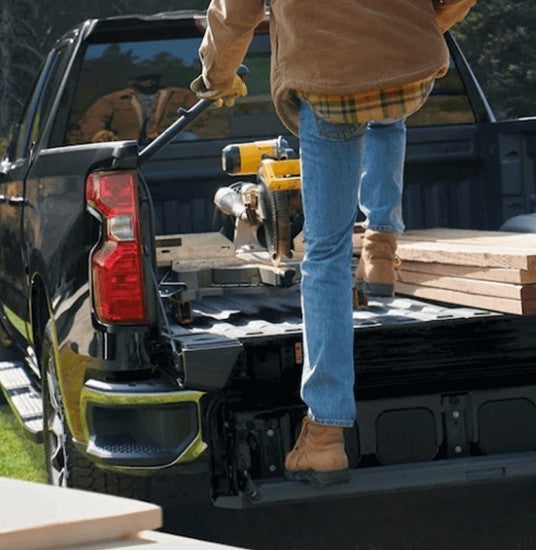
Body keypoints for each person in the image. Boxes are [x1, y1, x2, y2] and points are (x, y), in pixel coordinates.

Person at [194, 0, 475, 486]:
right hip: (409, 63)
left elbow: (233, 11)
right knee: (388, 97)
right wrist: (424, 21)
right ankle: (382, 242)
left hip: (328, 80)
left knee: (324, 255)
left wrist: (218, 77)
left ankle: (324, 433)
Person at [77, 73, 202, 143]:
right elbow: (94, 120)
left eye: (152, 77)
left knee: (189, 138)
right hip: (130, 149)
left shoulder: (182, 95)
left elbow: (206, 116)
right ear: (132, 79)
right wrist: (99, 135)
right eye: (142, 77)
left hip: (173, 146)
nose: (148, 81)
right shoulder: (111, 100)